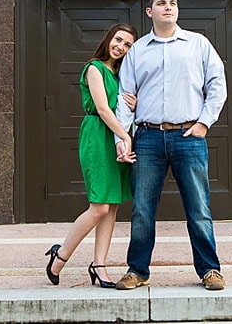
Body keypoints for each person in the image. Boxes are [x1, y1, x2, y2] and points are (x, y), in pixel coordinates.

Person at [113, 0, 228, 291]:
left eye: (173, 3)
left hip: (188, 137)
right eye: (161, 3)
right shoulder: (137, 50)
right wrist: (122, 139)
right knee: (141, 210)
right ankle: (137, 270)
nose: (168, 7)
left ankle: (209, 270)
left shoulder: (198, 45)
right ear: (149, 11)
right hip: (147, 139)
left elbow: (217, 84)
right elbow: (125, 99)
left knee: (199, 208)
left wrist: (204, 123)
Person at [45, 23, 138, 288]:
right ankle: (60, 256)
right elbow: (102, 108)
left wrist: (133, 103)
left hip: (115, 135)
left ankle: (99, 265)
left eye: (128, 44)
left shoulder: (120, 74)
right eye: (118, 40)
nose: (121, 47)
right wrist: (125, 136)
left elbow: (120, 107)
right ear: (108, 39)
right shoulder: (95, 68)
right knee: (99, 207)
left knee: (112, 205)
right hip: (98, 134)